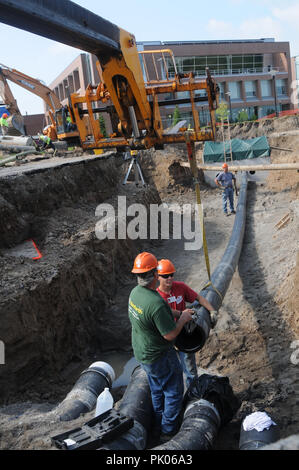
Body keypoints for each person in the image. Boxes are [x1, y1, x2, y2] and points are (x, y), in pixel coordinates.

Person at [128, 252, 193, 441]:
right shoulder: (155, 302)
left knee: (156, 389)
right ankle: (168, 432)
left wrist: (178, 311)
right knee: (173, 391)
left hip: (142, 353)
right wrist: (182, 319)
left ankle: (158, 423)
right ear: (156, 274)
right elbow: (170, 334)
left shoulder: (136, 293)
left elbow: (158, 313)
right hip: (159, 355)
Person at [156, 259, 217, 388]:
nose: (170, 278)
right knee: (172, 371)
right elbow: (164, 311)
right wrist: (181, 313)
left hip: (184, 334)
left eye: (171, 275)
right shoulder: (156, 297)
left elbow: (199, 298)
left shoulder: (180, 287)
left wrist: (212, 311)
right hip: (167, 337)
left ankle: (192, 393)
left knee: (190, 369)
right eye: (166, 276)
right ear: (158, 276)